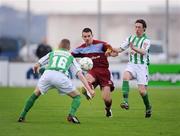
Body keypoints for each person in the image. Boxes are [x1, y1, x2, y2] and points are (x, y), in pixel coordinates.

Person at [18, 39, 95, 124]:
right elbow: (80, 75)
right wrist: (89, 89)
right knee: (77, 97)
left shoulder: (52, 53)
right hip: (61, 77)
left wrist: (39, 69)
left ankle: (22, 116)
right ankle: (71, 115)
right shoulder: (70, 57)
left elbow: (37, 65)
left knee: (35, 94)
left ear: (59, 46)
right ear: (69, 48)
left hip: (47, 75)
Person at [71, 28, 115, 117]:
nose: (87, 38)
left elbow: (109, 47)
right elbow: (70, 55)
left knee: (106, 99)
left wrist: (108, 51)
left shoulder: (100, 44)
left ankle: (108, 109)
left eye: (89, 36)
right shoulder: (81, 48)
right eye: (85, 36)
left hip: (104, 72)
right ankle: (89, 91)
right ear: (82, 37)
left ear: (92, 36)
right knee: (87, 78)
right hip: (92, 71)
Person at [113, 19, 152, 118]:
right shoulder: (130, 38)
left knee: (142, 91)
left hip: (142, 67)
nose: (137, 29)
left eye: (139, 27)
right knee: (125, 76)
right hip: (132, 65)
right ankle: (125, 102)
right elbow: (120, 49)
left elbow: (143, 52)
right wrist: (109, 50)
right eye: (136, 27)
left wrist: (134, 48)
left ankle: (148, 107)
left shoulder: (146, 40)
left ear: (144, 29)